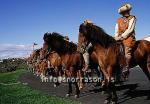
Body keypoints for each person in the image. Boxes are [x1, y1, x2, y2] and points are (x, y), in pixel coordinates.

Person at [114, 3, 136, 77]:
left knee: (127, 50)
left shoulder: (132, 18)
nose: (126, 12)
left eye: (127, 11)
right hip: (119, 38)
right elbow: (116, 30)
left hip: (128, 37)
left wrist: (122, 36)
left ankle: (126, 67)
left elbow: (130, 29)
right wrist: (116, 37)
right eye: (124, 11)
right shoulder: (119, 20)